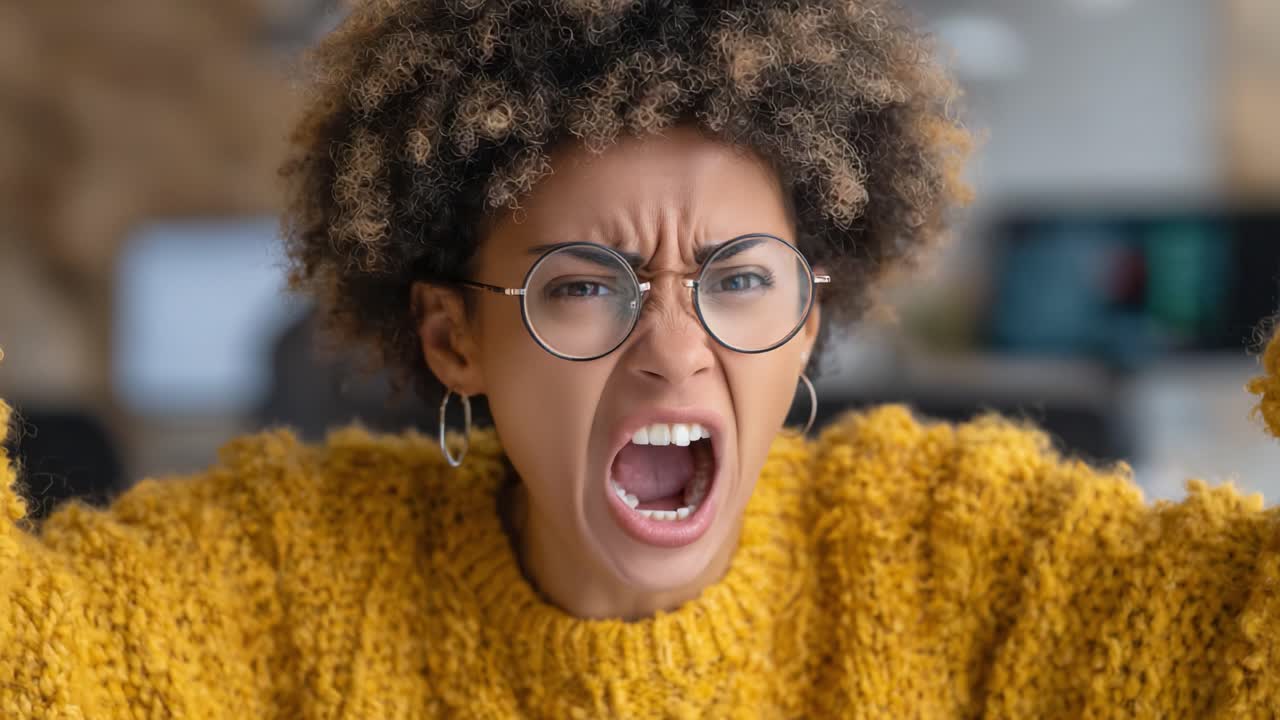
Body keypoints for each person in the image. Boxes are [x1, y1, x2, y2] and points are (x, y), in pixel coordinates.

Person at [3, 1, 1279, 717]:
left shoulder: (955, 556)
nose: (674, 351)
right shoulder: (283, 587)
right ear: (455, 337)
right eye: (581, 288)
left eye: (736, 280)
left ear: (809, 316)